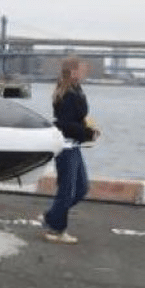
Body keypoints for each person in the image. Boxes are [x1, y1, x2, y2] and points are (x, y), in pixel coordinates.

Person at [41, 56, 98, 244]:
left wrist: (88, 130)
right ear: (73, 72)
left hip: (74, 145)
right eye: (82, 69)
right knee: (66, 191)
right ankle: (57, 230)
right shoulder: (66, 94)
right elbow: (64, 124)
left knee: (81, 188)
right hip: (65, 147)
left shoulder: (76, 89)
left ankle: (52, 217)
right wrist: (87, 133)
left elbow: (76, 119)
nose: (85, 72)